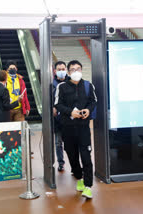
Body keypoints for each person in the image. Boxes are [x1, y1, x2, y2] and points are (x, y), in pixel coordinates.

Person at [54, 60, 97, 199]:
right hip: (68, 128)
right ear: (68, 71)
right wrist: (69, 112)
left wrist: (88, 110)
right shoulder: (62, 86)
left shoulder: (88, 85)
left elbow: (93, 101)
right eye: (72, 69)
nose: (76, 71)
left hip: (83, 128)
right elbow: (57, 105)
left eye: (78, 69)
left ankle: (88, 186)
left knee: (86, 157)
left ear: (82, 70)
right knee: (72, 156)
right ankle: (79, 178)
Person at [53, 61, 68, 172]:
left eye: (63, 69)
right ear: (55, 71)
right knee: (58, 143)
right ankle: (60, 163)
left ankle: (74, 165)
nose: (61, 71)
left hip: (69, 118)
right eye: (59, 69)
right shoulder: (51, 84)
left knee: (71, 143)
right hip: (57, 119)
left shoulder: (71, 82)